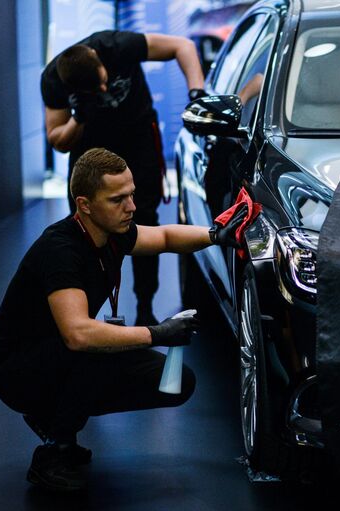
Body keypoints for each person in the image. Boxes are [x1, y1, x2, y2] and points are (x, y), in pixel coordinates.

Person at [0, 148, 251, 492]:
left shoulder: (112, 233)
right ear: (84, 204)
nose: (132, 207)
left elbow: (166, 237)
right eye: (117, 199)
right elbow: (78, 334)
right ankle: (53, 452)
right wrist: (156, 334)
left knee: (175, 382)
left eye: (131, 195)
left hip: (59, 354)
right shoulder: (61, 250)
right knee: (93, 350)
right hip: (15, 369)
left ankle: (54, 418)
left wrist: (216, 235)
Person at [41, 31, 207, 326]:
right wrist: (78, 117)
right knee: (86, 231)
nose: (104, 87)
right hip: (90, 154)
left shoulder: (115, 46)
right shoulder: (54, 80)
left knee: (143, 219)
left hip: (139, 140)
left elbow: (182, 46)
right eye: (96, 88)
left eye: (103, 79)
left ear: (98, 59)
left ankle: (145, 306)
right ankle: (86, 315)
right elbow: (58, 139)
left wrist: (197, 93)